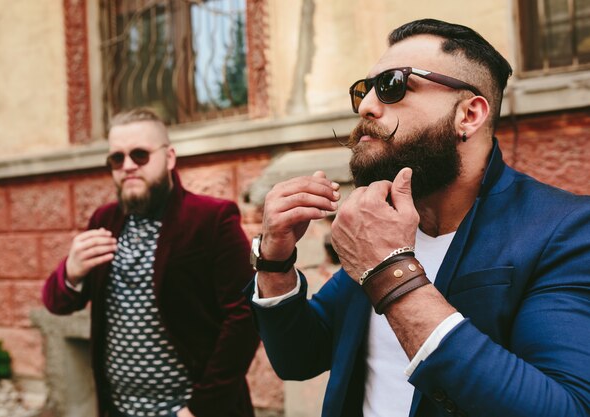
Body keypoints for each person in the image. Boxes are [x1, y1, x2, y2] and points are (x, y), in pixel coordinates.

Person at [247, 18, 590, 417]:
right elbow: (299, 358)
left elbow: (565, 408)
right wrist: (274, 262)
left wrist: (390, 270)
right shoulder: (384, 223)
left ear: (469, 115)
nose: (366, 105)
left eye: (393, 85)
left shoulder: (563, 230)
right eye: (364, 89)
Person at [43, 108, 259, 417]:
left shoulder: (211, 219)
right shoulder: (103, 221)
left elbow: (244, 316)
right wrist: (71, 272)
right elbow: (57, 304)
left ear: (169, 158)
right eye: (117, 159)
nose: (128, 166)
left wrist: (202, 407)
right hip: (119, 409)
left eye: (140, 155)